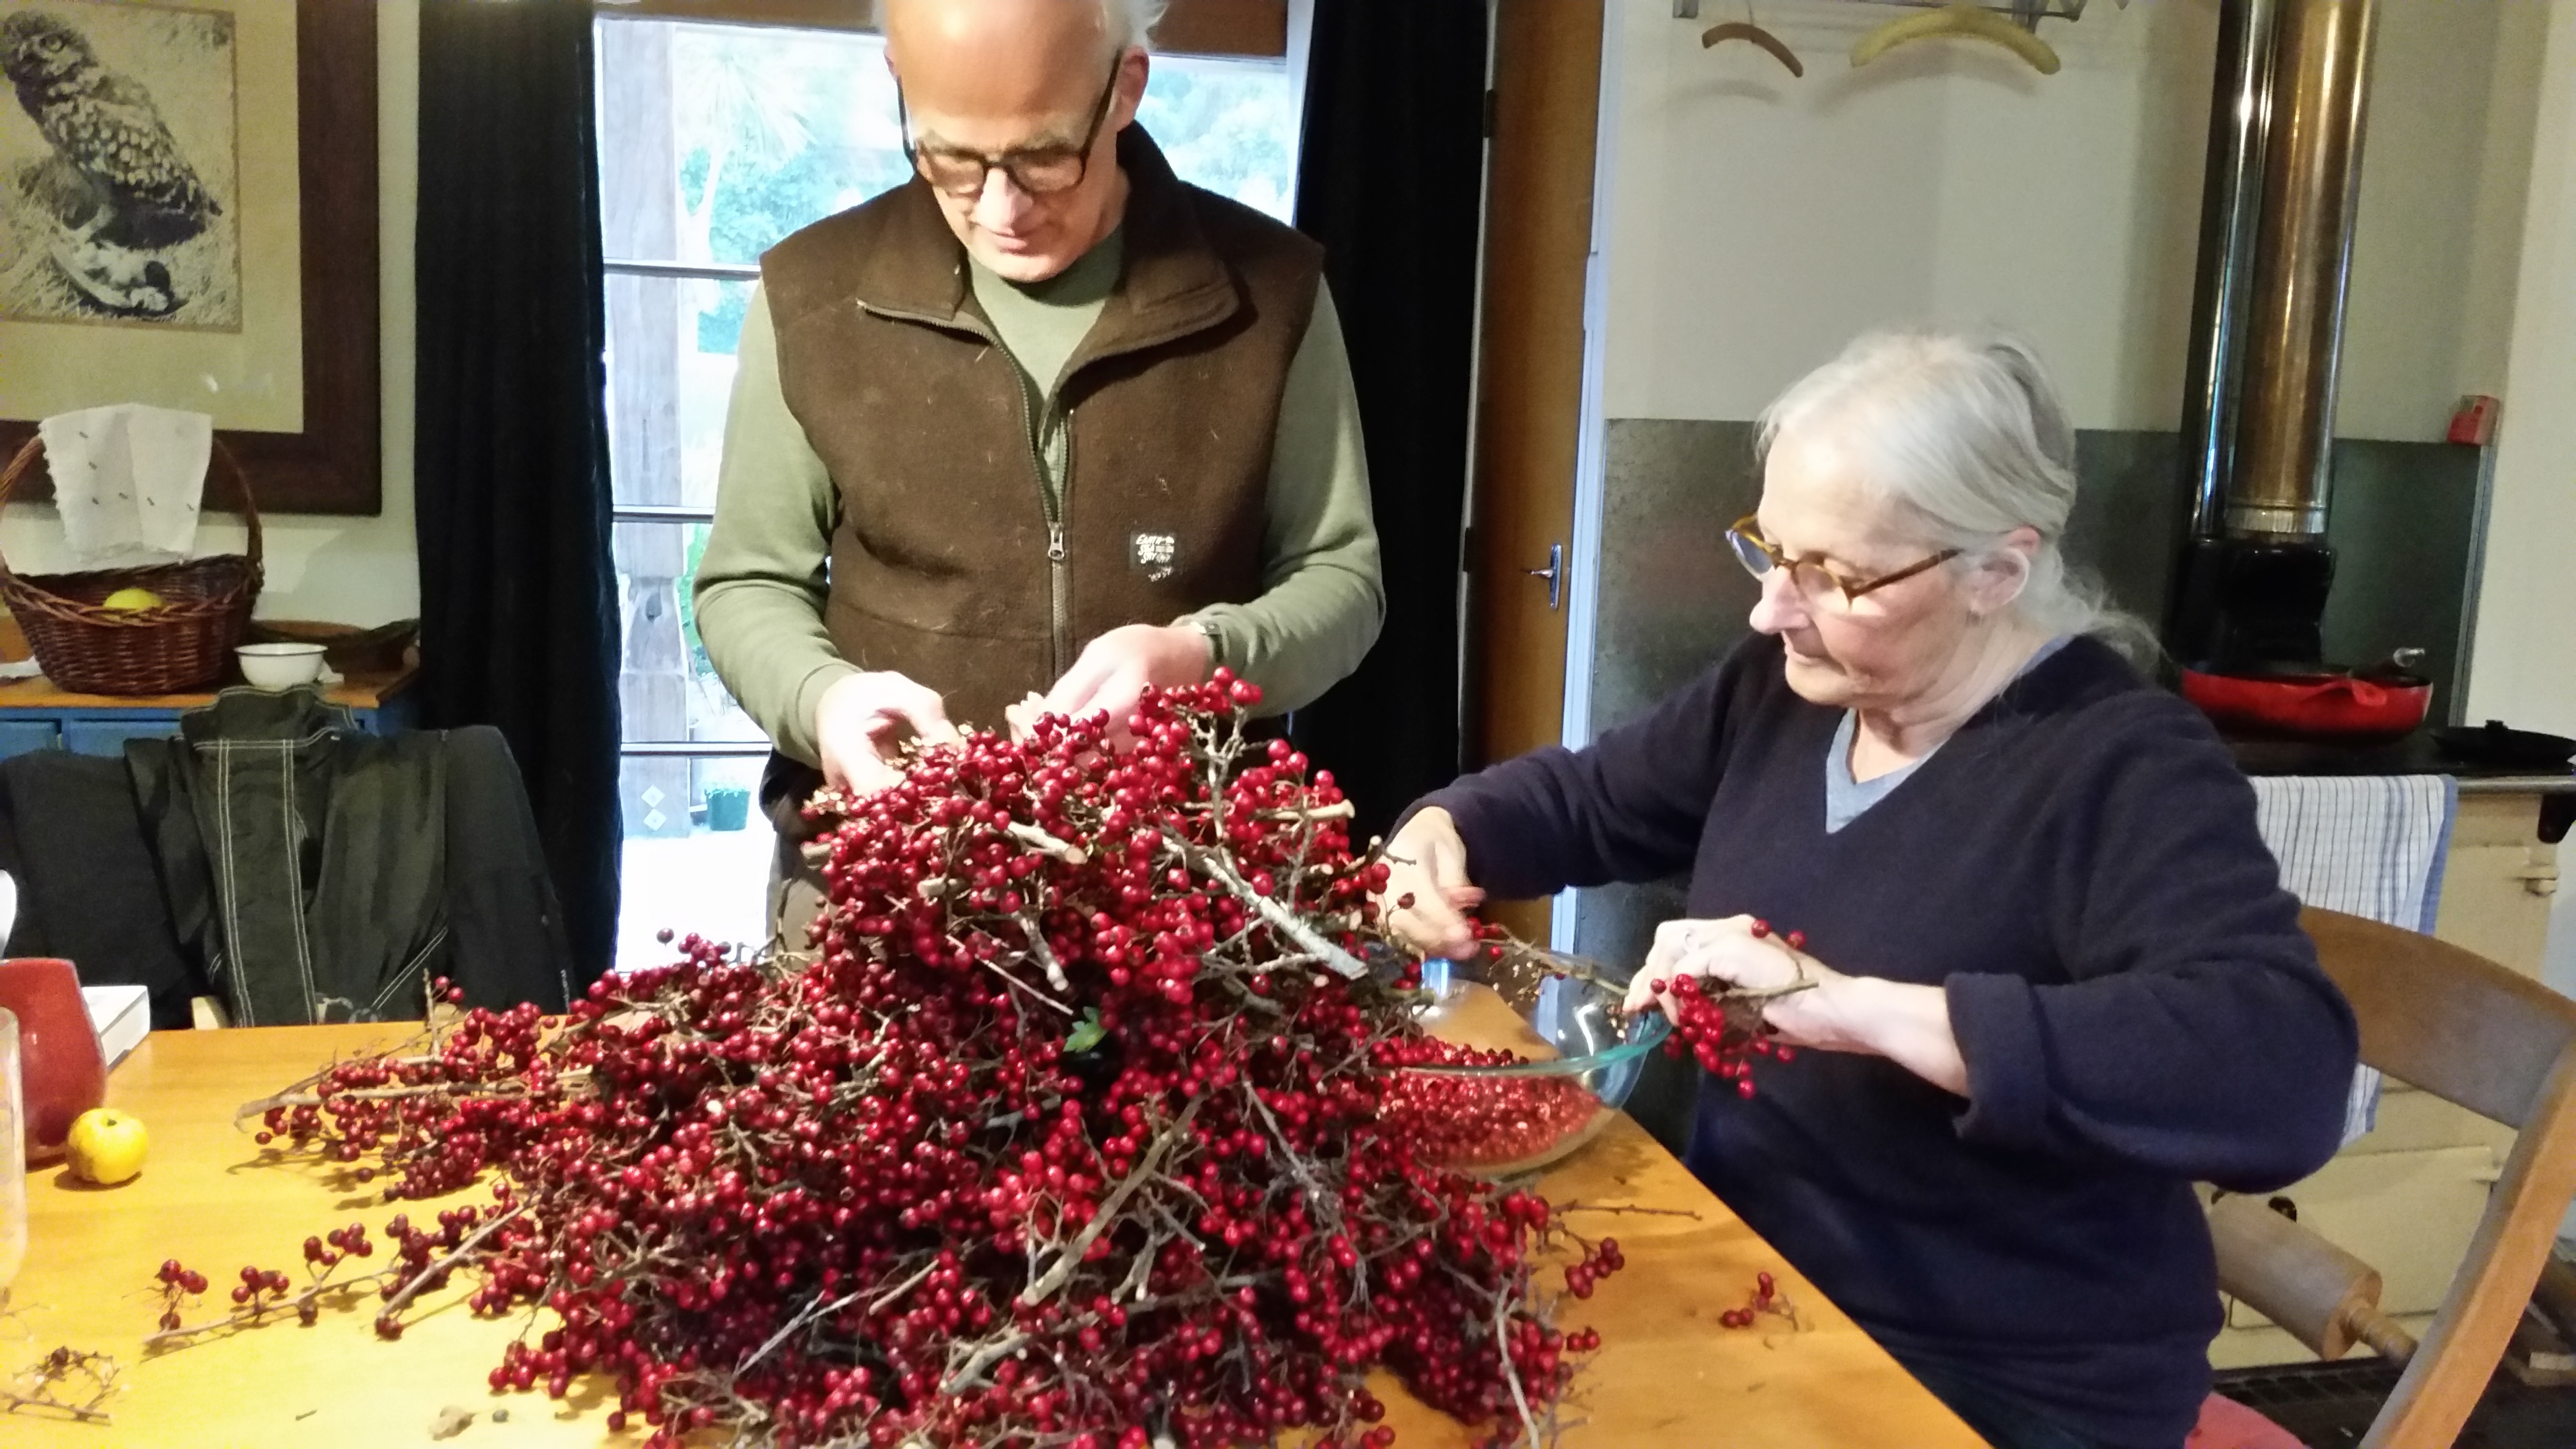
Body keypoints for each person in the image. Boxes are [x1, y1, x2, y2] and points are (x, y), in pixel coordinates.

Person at [1378, 331, 2357, 1449]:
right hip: (1759, 1278)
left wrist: (1851, 1009)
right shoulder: (1785, 691)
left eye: (1834, 576)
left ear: (1995, 573)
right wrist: (1443, 831)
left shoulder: (2121, 764)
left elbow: (2278, 1072)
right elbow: (1588, 800)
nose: (1771, 610)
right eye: (1768, 551)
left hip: (1992, 1377)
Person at [696, 0, 1383, 938]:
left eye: (1047, 157)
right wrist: (824, 700)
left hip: (1183, 900)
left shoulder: (1272, 294)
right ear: (900, 80)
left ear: (1126, 88)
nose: (1000, 209)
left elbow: (1342, 581)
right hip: (884, 891)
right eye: (949, 158)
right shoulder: (811, 296)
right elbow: (747, 584)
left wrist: (1202, 657)